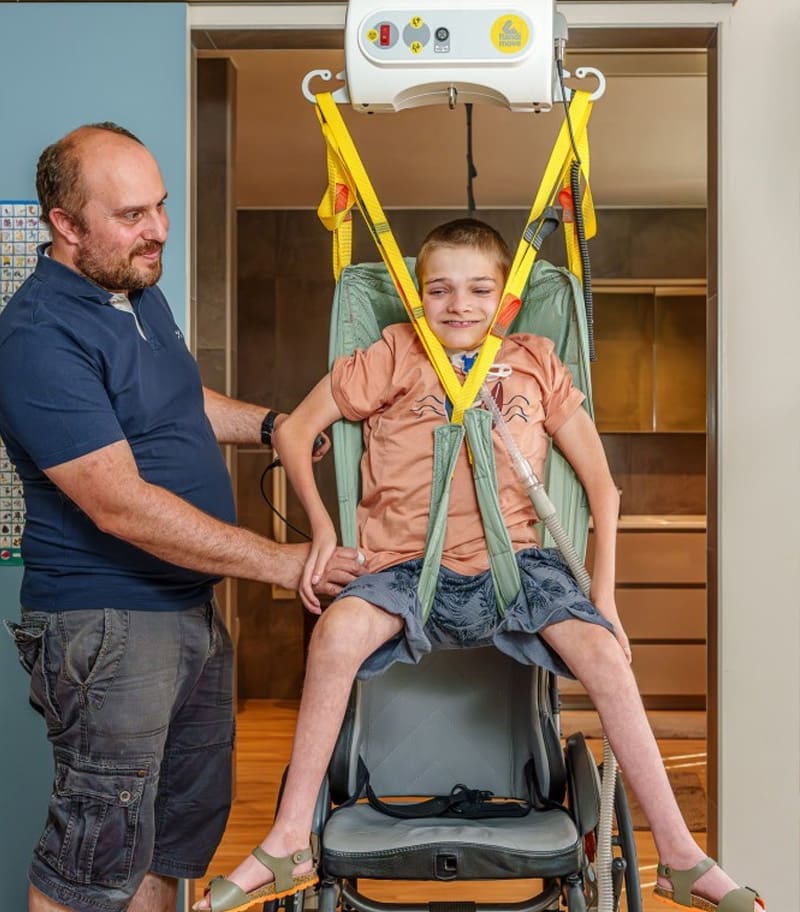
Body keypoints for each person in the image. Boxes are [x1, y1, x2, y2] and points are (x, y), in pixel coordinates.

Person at [195, 219, 764, 912]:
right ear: (419, 299)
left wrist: (606, 602)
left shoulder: (536, 363)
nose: (458, 304)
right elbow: (292, 432)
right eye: (439, 290)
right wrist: (321, 532)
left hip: (516, 566)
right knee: (335, 635)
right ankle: (288, 840)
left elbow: (604, 489)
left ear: (506, 301)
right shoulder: (394, 353)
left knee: (606, 655)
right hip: (404, 566)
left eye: (478, 290)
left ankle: (678, 856)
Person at [0, 122, 364, 912]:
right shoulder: (38, 337)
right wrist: (284, 562)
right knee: (93, 857)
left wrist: (274, 425)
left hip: (185, 611)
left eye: (159, 206)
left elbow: (175, 403)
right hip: (108, 624)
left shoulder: (136, 294)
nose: (159, 229)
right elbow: (119, 503)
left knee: (169, 842)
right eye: (132, 215)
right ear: (66, 224)